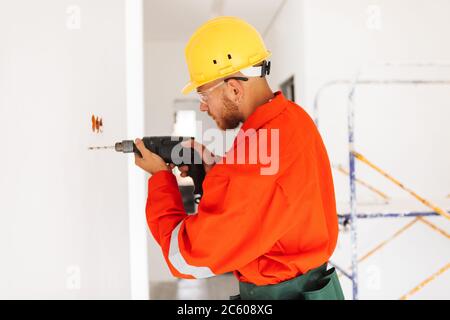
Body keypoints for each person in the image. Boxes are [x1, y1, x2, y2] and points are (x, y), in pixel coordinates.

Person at [134, 16, 344, 300]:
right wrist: (218, 170)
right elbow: (271, 202)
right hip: (313, 289)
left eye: (203, 94)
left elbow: (186, 258)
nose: (205, 106)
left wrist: (160, 179)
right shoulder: (293, 119)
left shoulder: (253, 154)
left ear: (234, 88)